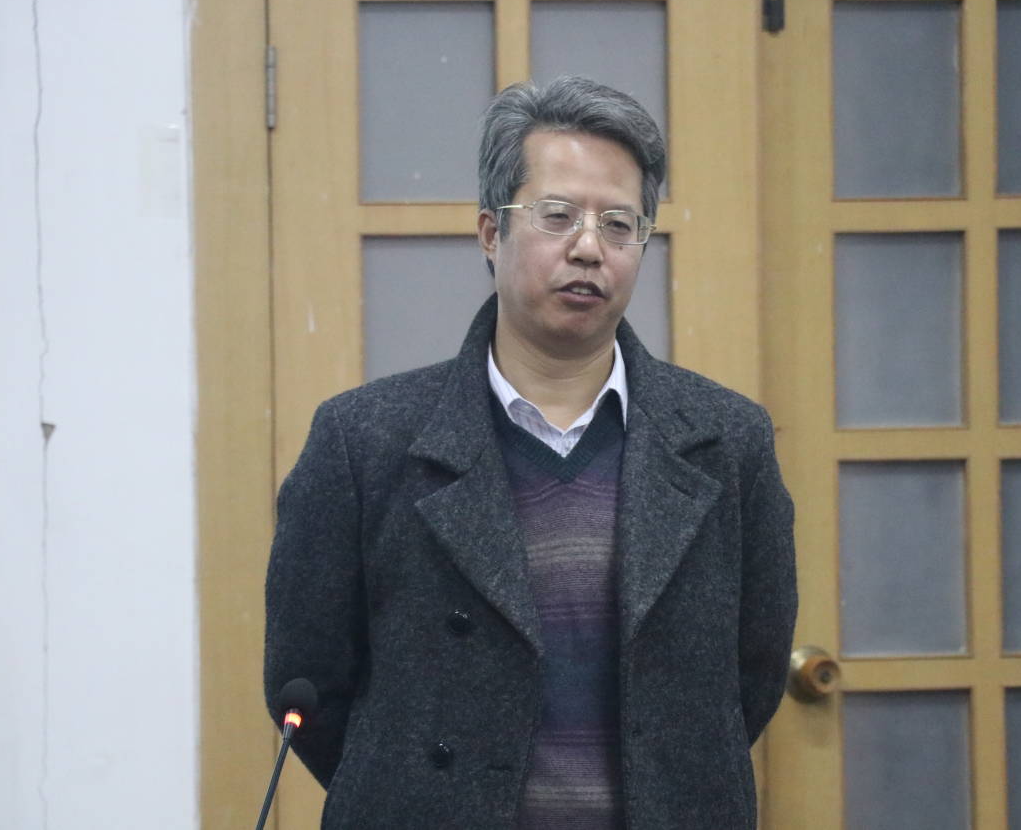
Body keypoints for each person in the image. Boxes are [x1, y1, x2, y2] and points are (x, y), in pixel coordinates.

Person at [265, 76, 797, 829]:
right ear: (491, 232)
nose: (589, 247)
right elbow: (309, 682)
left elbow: (751, 677)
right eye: (557, 216)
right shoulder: (364, 440)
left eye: (619, 224)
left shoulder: (726, 441)